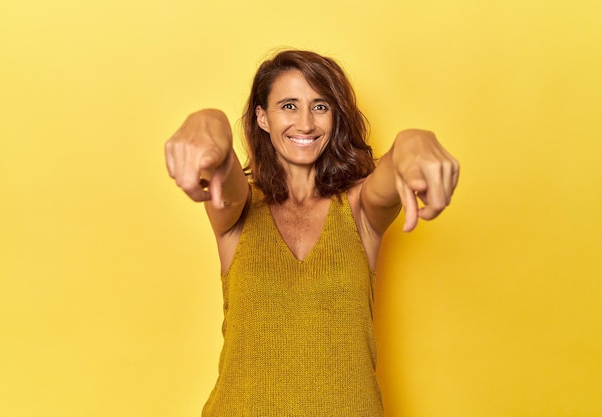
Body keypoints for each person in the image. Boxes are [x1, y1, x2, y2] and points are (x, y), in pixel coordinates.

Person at [165, 49, 459, 416]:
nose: (305, 123)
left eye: (320, 106)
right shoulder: (238, 208)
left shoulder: (359, 209)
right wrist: (208, 120)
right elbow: (223, 167)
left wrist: (417, 139)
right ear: (262, 117)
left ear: (335, 117)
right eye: (288, 106)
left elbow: (397, 165)